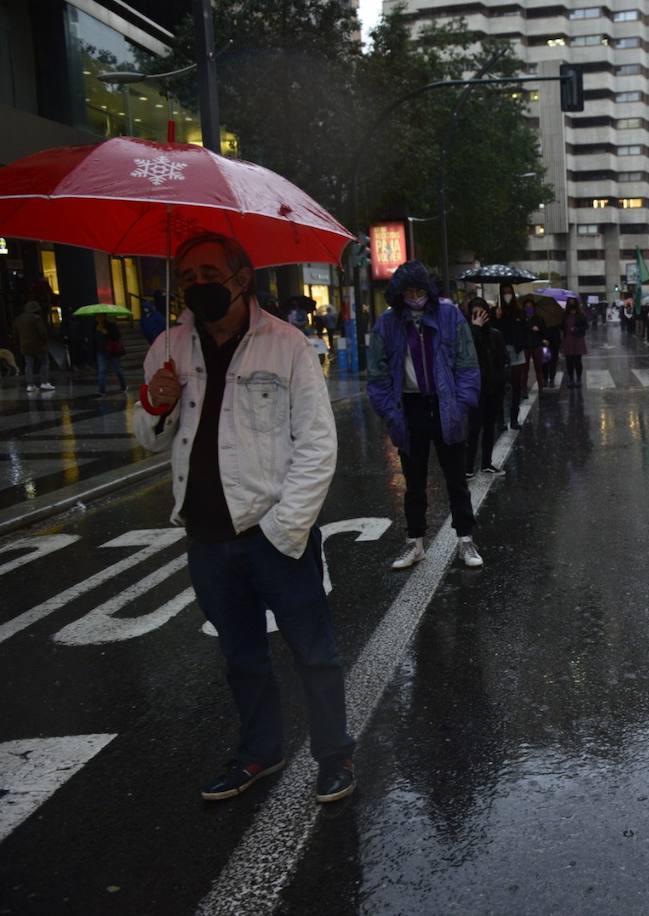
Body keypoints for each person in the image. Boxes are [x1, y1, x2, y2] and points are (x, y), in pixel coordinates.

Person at [133, 232, 355, 804]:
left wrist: (286, 530)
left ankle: (334, 756)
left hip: (274, 535)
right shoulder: (168, 347)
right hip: (207, 540)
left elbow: (317, 444)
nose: (198, 286)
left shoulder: (286, 346)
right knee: (241, 658)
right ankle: (261, 751)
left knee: (314, 653)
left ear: (242, 278)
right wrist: (154, 405)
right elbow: (147, 439)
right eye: (187, 278)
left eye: (210, 274)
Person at [366, 260, 484, 572]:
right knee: (414, 481)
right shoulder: (387, 323)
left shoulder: (448, 315)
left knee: (456, 479)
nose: (415, 296)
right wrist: (390, 413)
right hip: (409, 407)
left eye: (419, 290)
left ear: (428, 291)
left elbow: (467, 363)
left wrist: (461, 403)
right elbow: (376, 375)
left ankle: (466, 538)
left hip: (446, 404)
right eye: (409, 291)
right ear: (399, 294)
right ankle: (414, 541)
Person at [463, 297, 509, 477]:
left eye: (482, 312)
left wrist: (502, 380)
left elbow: (503, 359)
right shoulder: (467, 334)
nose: (479, 317)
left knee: (489, 427)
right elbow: (467, 353)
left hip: (492, 387)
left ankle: (486, 463)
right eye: (475, 313)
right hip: (475, 389)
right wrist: (475, 329)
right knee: (473, 428)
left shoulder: (495, 335)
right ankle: (468, 468)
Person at [493, 289, 529, 430]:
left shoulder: (519, 312)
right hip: (501, 352)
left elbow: (525, 330)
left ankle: (514, 419)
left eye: (509, 292)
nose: (507, 295)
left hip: (516, 351)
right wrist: (496, 317)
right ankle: (500, 420)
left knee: (516, 387)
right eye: (504, 292)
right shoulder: (496, 311)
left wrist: (521, 344)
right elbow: (491, 331)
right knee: (500, 388)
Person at [14, 300, 54, 393]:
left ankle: (30, 385)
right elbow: (42, 333)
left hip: (25, 346)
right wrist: (44, 342)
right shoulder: (37, 318)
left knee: (29, 365)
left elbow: (15, 333)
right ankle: (44, 382)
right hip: (38, 345)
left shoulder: (18, 319)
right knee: (44, 363)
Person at [94, 316, 128, 396]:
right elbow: (94, 339)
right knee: (102, 370)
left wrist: (107, 333)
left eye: (100, 316)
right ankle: (102, 390)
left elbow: (117, 336)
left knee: (117, 369)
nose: (99, 318)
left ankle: (123, 385)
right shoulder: (95, 326)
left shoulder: (111, 325)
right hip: (101, 351)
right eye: (97, 316)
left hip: (112, 351)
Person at [563, 297, 590, 387]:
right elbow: (562, 326)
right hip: (568, 340)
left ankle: (578, 378)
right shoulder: (565, 315)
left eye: (573, 302)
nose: (571, 304)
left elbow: (586, 326)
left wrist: (577, 329)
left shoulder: (580, 314)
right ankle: (571, 379)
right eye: (570, 302)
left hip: (578, 339)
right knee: (569, 361)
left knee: (577, 361)